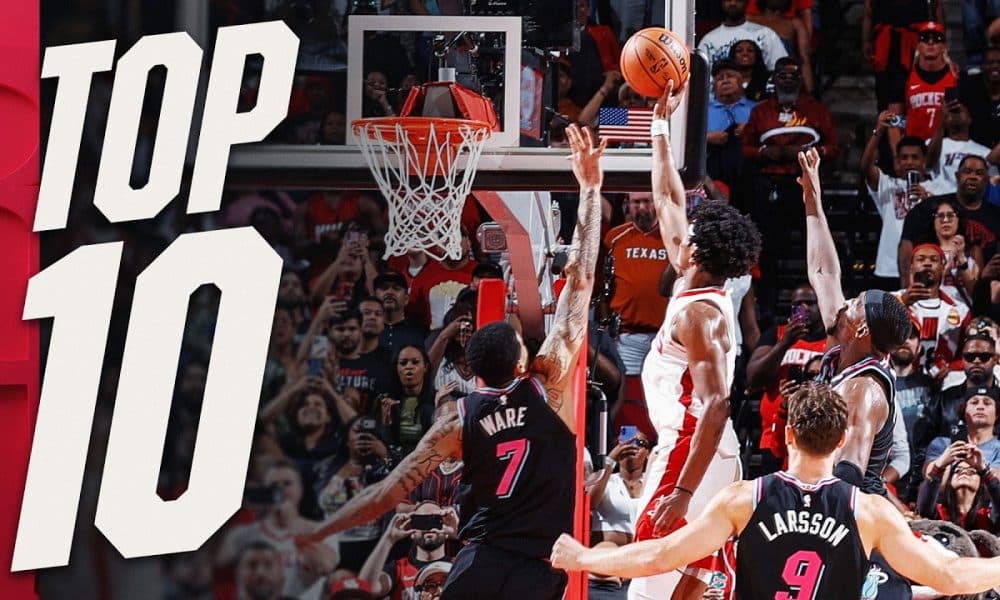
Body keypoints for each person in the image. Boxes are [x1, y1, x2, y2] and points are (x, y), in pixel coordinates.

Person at [297, 123, 606, 600]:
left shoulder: (457, 421)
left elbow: (387, 493)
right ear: (521, 365)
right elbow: (581, 279)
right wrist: (590, 189)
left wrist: (320, 530)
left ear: (476, 373)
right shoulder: (548, 385)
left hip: (480, 562)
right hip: (538, 567)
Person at [550, 382, 1000, 597]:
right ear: (841, 441)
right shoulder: (869, 511)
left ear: (787, 436)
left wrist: (584, 558)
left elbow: (660, 556)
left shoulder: (744, 499)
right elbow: (950, 576)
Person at [631, 83, 762, 600]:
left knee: (647, 578)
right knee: (686, 582)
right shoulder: (693, 275)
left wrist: (684, 491)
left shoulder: (701, 316)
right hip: (698, 448)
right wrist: (659, 126)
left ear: (700, 251)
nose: (680, 230)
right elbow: (667, 197)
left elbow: (716, 406)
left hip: (693, 447)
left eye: (691, 231)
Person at [799, 147, 912, 499]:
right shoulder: (846, 346)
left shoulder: (865, 388)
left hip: (853, 505)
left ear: (861, 329)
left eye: (856, 304)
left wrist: (810, 512)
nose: (846, 302)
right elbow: (824, 273)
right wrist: (812, 200)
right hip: (826, 491)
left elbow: (849, 471)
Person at [861, 119, 950, 289]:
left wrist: (928, 200)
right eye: (904, 158)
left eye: (915, 157)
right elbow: (865, 166)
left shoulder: (939, 189)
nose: (909, 162)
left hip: (925, 268)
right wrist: (878, 130)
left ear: (924, 160)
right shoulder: (888, 185)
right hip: (889, 269)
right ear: (897, 161)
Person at [747, 283, 827, 472]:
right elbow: (753, 378)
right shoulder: (776, 335)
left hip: (818, 434)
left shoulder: (833, 339)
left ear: (822, 304)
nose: (804, 308)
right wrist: (785, 343)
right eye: (797, 304)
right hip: (776, 435)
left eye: (810, 303)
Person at [696, 0, 788, 72]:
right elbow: (699, 76)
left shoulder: (765, 34)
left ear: (746, 2)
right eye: (728, 0)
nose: (733, 3)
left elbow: (782, 69)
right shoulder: (709, 40)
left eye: (738, 0)